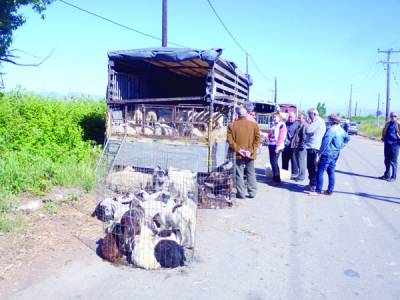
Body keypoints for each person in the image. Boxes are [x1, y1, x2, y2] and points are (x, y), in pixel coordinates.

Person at [310, 114, 349, 196]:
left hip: (327, 153)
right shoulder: (341, 130)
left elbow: (325, 143)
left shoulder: (331, 130)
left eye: (329, 120)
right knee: (331, 172)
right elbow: (347, 138)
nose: (328, 121)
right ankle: (330, 191)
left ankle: (318, 190)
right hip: (335, 153)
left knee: (320, 171)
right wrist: (341, 146)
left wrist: (319, 154)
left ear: (332, 121)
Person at [227, 107, 261, 198]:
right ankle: (252, 192)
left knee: (239, 173)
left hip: (239, 154)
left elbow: (230, 141)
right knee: (251, 172)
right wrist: (250, 151)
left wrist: (239, 150)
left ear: (237, 115)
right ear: (246, 114)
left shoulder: (231, 126)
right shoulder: (254, 125)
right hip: (250, 153)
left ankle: (241, 193)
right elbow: (258, 139)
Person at [304, 108, 326, 192]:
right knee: (310, 166)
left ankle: (313, 184)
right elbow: (310, 131)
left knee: (312, 166)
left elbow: (308, 130)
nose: (309, 117)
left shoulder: (318, 121)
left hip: (314, 147)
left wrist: (307, 125)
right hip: (311, 146)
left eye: (310, 115)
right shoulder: (316, 121)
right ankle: (312, 183)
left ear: (314, 114)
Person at [267, 112, 287, 185]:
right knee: (272, 162)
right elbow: (270, 135)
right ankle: (275, 178)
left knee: (274, 162)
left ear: (279, 118)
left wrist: (277, 147)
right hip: (271, 144)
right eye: (273, 117)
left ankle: (277, 179)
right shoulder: (275, 125)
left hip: (277, 146)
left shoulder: (282, 125)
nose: (274, 119)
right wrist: (270, 130)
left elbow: (281, 137)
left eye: (275, 117)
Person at [380, 111, 400, 182]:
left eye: (394, 116)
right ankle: (387, 175)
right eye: (391, 116)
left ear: (397, 117)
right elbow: (384, 130)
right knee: (386, 160)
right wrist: (383, 137)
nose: (393, 117)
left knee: (393, 161)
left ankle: (393, 177)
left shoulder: (398, 124)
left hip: (395, 145)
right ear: (390, 117)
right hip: (387, 144)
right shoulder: (387, 124)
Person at [282, 112, 300, 178]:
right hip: (285, 145)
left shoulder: (298, 124)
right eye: (289, 117)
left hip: (293, 146)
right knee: (284, 160)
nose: (290, 118)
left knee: (294, 160)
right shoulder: (285, 123)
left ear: (295, 117)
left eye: (291, 117)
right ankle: (284, 172)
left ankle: (294, 174)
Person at [292, 113, 307, 182]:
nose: (298, 119)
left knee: (301, 162)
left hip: (301, 147)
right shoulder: (299, 125)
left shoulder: (304, 126)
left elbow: (304, 137)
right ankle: (300, 175)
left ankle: (302, 176)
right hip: (297, 146)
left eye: (300, 118)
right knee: (298, 161)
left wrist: (301, 146)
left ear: (304, 119)